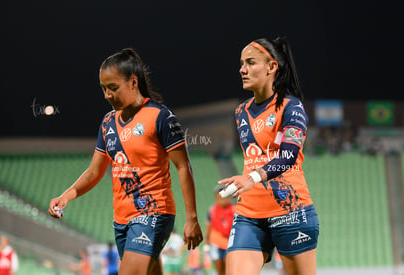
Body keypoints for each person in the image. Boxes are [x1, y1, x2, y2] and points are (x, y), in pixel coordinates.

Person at [49, 47, 203, 275]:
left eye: (113, 88)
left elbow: (183, 166)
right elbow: (94, 172)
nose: (107, 95)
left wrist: (192, 218)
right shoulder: (107, 123)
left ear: (133, 82)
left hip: (153, 213)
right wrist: (66, 195)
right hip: (122, 221)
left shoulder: (160, 117)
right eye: (103, 89)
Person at [218, 37, 319, 275]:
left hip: (291, 211)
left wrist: (251, 178)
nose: (242, 69)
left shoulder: (291, 107)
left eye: (251, 62)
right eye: (242, 63)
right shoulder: (240, 111)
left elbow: (288, 155)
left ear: (272, 67)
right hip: (249, 215)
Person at [204, 186, 235, 275]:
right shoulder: (212, 211)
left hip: (229, 243)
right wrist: (206, 245)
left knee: (228, 269)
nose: (222, 199)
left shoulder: (234, 210)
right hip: (216, 244)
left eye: (224, 197)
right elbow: (208, 228)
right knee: (220, 270)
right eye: (219, 197)